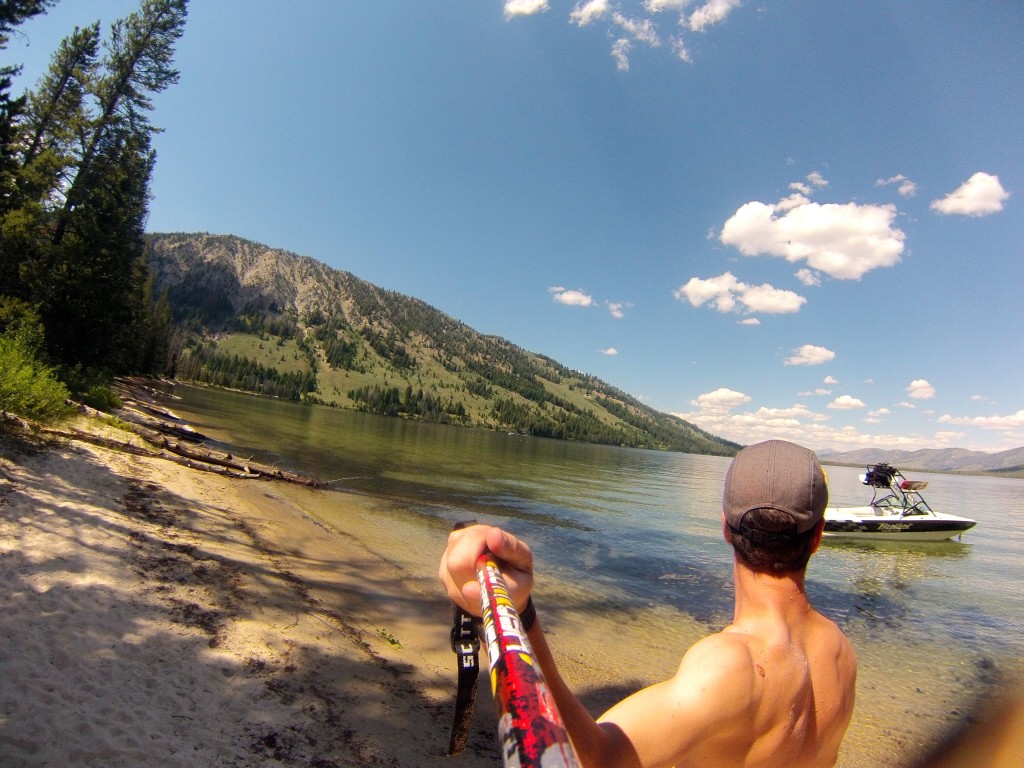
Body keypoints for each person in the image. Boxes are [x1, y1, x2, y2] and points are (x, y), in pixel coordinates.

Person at [438, 439, 857, 768]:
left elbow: (593, 759)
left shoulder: (734, 667)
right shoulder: (840, 653)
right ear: (818, 535)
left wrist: (523, 612)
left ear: (726, 528)